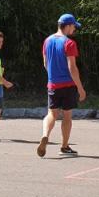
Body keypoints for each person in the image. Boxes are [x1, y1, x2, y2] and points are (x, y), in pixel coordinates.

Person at [38, 14, 87, 158]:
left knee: (51, 114)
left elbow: (45, 63)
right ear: (68, 26)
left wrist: (53, 76)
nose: (74, 30)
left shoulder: (47, 41)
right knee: (67, 116)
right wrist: (80, 87)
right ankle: (64, 146)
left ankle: (45, 135)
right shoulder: (69, 43)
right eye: (74, 27)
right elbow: (72, 68)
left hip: (53, 84)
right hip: (68, 85)